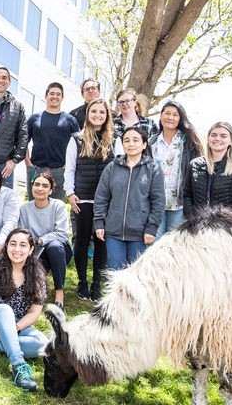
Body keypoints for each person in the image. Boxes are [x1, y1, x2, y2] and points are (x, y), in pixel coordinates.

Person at [0, 228, 49, 392]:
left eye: (23, 245)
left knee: (43, 344)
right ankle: (19, 366)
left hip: (16, 324)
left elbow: (34, 312)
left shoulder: (38, 275)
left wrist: (15, 328)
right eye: (13, 244)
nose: (17, 249)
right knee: (5, 310)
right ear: (6, 246)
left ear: (31, 249)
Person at [93, 126, 165, 271]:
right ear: (122, 144)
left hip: (140, 233)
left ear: (144, 145)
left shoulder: (153, 169)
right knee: (116, 274)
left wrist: (151, 228)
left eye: (135, 140)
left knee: (137, 276)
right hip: (114, 233)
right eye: (127, 140)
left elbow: (158, 202)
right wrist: (99, 222)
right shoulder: (112, 168)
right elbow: (101, 197)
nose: (131, 144)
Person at [64, 99, 115, 300]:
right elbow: (70, 168)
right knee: (82, 241)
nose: (98, 115)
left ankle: (96, 284)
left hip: (105, 202)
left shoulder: (115, 139)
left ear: (107, 115)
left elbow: (118, 170)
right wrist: (70, 193)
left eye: (102, 112)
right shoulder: (76, 139)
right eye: (94, 111)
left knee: (102, 243)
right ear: (88, 114)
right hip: (82, 200)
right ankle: (82, 282)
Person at [148, 100, 203, 238]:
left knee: (175, 244)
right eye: (167, 113)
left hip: (179, 204)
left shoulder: (189, 142)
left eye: (175, 115)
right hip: (155, 204)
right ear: (161, 116)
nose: (170, 118)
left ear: (180, 119)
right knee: (154, 244)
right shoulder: (151, 142)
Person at [182, 121, 232, 219]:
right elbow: (187, 195)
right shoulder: (195, 165)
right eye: (213, 135)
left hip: (226, 227)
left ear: (231, 140)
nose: (217, 139)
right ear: (208, 139)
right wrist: (193, 216)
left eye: (223, 136)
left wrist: (226, 217)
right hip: (197, 226)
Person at [18, 171, 72, 307]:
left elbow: (63, 234)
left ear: (51, 190)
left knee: (54, 246)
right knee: (33, 286)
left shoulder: (58, 206)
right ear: (32, 187)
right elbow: (22, 234)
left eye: (45, 186)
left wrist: (41, 240)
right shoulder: (24, 209)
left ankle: (59, 290)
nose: (40, 188)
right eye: (37, 184)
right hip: (36, 252)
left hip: (59, 251)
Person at [25, 82, 79, 200]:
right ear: (46, 96)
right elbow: (23, 142)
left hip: (60, 171)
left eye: (58, 94)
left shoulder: (70, 120)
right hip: (36, 169)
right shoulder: (34, 118)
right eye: (52, 93)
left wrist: (66, 166)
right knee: (34, 206)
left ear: (62, 98)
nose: (55, 96)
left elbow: (78, 146)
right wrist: (28, 164)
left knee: (57, 207)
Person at [112, 88, 158, 155]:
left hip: (144, 163)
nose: (124, 104)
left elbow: (156, 148)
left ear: (135, 102)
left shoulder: (149, 124)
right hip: (118, 163)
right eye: (121, 102)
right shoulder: (112, 124)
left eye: (127, 101)